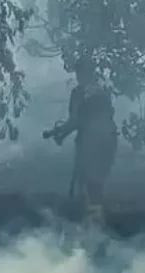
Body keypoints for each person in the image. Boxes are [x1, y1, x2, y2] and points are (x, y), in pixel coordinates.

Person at [43, 56, 118, 224]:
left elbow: (75, 121)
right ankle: (98, 221)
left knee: (89, 184)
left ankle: (93, 225)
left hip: (91, 139)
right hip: (110, 138)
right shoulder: (104, 89)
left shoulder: (79, 92)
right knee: (98, 183)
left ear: (81, 73)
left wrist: (60, 134)